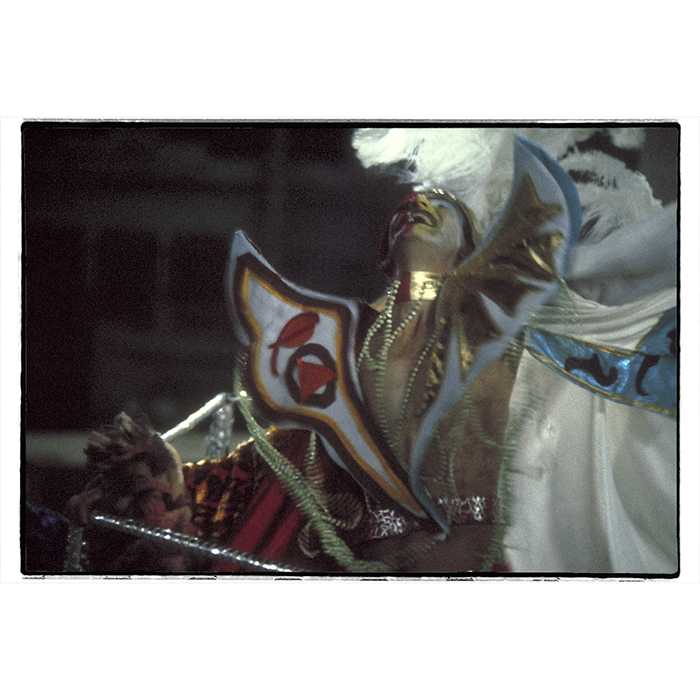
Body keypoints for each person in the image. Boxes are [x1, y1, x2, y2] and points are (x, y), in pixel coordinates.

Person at [67, 128, 678, 575]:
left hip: (500, 408)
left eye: (164, 508)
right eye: (164, 511)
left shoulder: (435, 284)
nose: (169, 518)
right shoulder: (228, 492)